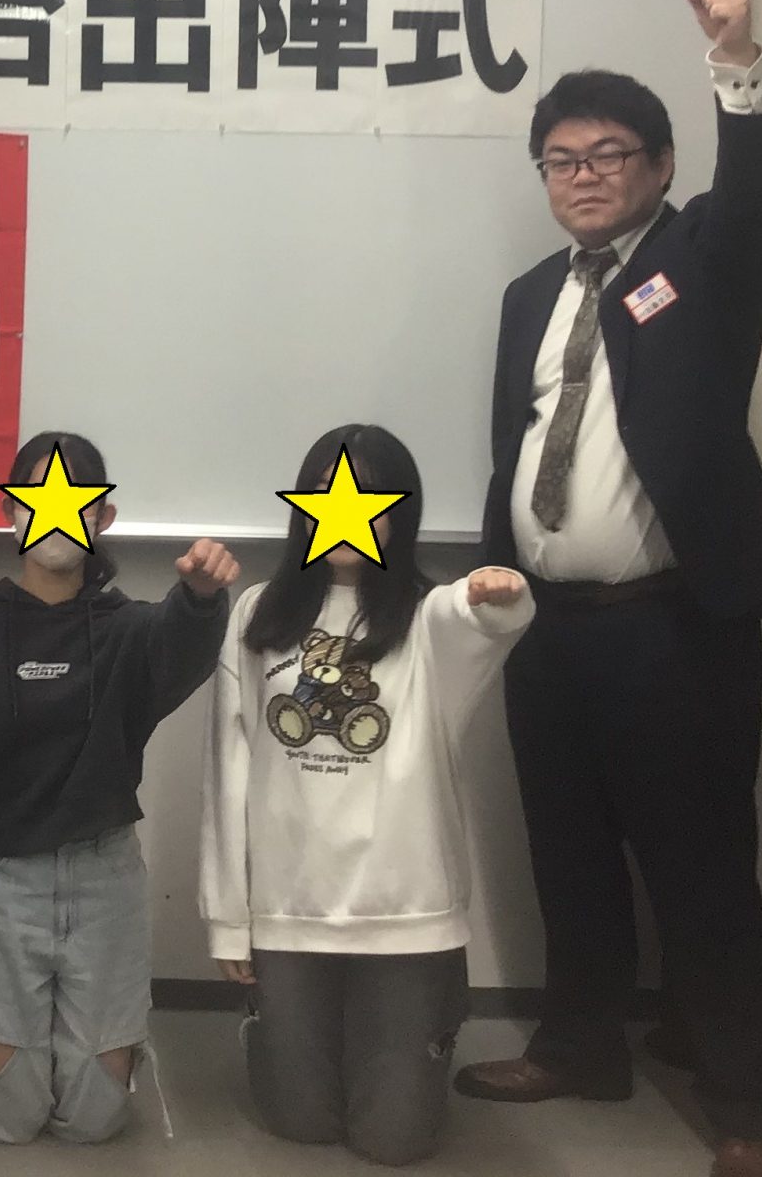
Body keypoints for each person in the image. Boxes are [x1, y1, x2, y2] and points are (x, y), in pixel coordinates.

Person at [451, 0, 762, 1177]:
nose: (583, 175)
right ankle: (581, 1046)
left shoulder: (702, 259)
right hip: (546, 629)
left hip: (672, 628)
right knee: (568, 851)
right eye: (560, 159)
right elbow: (516, 445)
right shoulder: (528, 296)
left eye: (607, 155)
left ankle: (750, 1107)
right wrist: (494, 580)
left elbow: (759, 198)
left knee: (700, 869)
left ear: (658, 166)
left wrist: (736, 59)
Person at [200, 423, 533, 1167]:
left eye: (368, 495)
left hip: (405, 917)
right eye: (326, 493)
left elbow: (482, 619)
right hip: (289, 910)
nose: (346, 510)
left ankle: (423, 1037)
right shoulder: (256, 614)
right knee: (302, 1122)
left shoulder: (427, 617)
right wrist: (228, 920)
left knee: (395, 1140)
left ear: (400, 511)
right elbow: (227, 769)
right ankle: (277, 1031)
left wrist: (497, 594)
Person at [0, 429, 238, 1145]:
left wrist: (201, 594)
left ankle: (45, 1042)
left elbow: (185, 644)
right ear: (9, 510)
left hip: (104, 881)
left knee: (93, 1121)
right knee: (9, 1119)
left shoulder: (132, 631)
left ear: (104, 517)